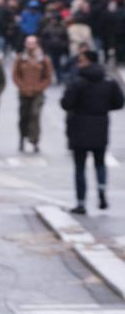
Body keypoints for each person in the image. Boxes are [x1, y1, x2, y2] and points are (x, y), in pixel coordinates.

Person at [60, 50, 124, 214]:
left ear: (88, 61)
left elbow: (66, 103)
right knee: (100, 163)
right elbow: (118, 102)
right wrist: (102, 108)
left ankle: (81, 202)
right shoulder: (108, 81)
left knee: (80, 167)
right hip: (100, 125)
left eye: (81, 61)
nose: (78, 64)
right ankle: (101, 192)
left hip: (79, 126)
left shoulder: (78, 82)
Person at [13, 35, 53, 153]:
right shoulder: (21, 58)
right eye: (28, 43)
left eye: (32, 43)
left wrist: (40, 87)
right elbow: (15, 75)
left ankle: (35, 140)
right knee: (23, 116)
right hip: (23, 92)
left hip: (37, 92)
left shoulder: (43, 59)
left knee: (35, 115)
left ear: (37, 44)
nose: (30, 46)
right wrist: (22, 86)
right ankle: (22, 136)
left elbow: (48, 76)